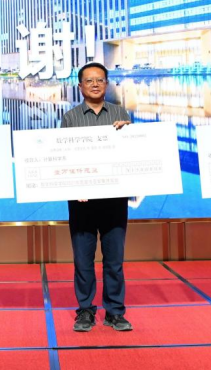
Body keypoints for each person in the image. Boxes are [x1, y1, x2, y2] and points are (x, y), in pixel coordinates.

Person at [60, 63, 133, 333]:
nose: (94, 84)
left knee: (114, 261)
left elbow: (132, 154)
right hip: (82, 202)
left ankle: (115, 311)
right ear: (80, 86)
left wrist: (130, 133)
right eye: (89, 80)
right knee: (83, 260)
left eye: (99, 80)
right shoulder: (70, 118)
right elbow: (64, 158)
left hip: (114, 200)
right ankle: (85, 310)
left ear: (106, 84)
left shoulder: (120, 114)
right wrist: (73, 186)